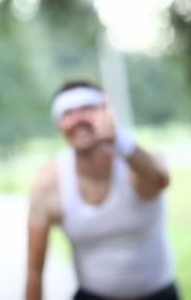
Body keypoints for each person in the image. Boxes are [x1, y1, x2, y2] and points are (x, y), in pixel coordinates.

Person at [25, 80, 178, 300]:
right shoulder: (49, 182)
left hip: (158, 294)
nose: (78, 120)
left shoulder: (135, 162)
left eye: (87, 109)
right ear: (59, 125)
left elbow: (159, 179)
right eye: (68, 113)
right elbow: (34, 271)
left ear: (106, 114)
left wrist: (119, 141)